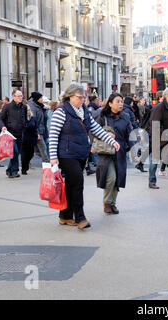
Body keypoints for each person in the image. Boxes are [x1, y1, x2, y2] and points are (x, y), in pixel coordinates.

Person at [49, 84, 120, 230]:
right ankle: (80, 217)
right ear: (69, 96)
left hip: (81, 153)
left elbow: (96, 129)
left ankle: (65, 216)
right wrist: (53, 157)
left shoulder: (84, 112)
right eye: (79, 97)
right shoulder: (61, 112)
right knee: (78, 183)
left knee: (70, 185)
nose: (82, 100)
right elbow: (53, 135)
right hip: (66, 154)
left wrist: (111, 141)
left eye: (84, 97)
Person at [96, 93, 134, 215]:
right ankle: (107, 202)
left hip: (120, 151)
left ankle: (113, 203)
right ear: (110, 103)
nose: (121, 104)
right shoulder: (102, 116)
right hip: (106, 151)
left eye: (122, 101)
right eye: (117, 101)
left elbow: (130, 134)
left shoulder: (126, 117)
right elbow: (94, 131)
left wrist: (134, 149)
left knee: (118, 178)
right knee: (111, 178)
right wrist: (105, 135)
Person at [0, 90, 28, 178]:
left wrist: (25, 125)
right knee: (15, 152)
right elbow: (0, 119)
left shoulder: (24, 107)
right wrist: (3, 127)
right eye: (18, 96)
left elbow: (25, 118)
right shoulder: (7, 106)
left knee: (16, 153)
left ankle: (9, 170)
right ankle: (15, 171)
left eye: (21, 96)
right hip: (10, 133)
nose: (20, 98)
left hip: (20, 133)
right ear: (13, 97)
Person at [28, 92, 49, 163]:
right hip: (37, 131)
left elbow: (44, 119)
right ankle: (47, 164)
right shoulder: (33, 107)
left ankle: (26, 163)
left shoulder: (40, 106)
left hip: (42, 130)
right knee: (43, 148)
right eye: (40, 98)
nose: (42, 99)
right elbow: (34, 121)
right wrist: (37, 133)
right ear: (37, 99)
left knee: (37, 148)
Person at [21, 105, 38, 175]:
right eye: (26, 110)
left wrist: (37, 134)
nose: (27, 111)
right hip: (23, 139)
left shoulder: (33, 118)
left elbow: (36, 127)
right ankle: (24, 169)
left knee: (31, 154)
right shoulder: (22, 118)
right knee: (24, 155)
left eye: (28, 110)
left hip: (32, 138)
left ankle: (26, 165)